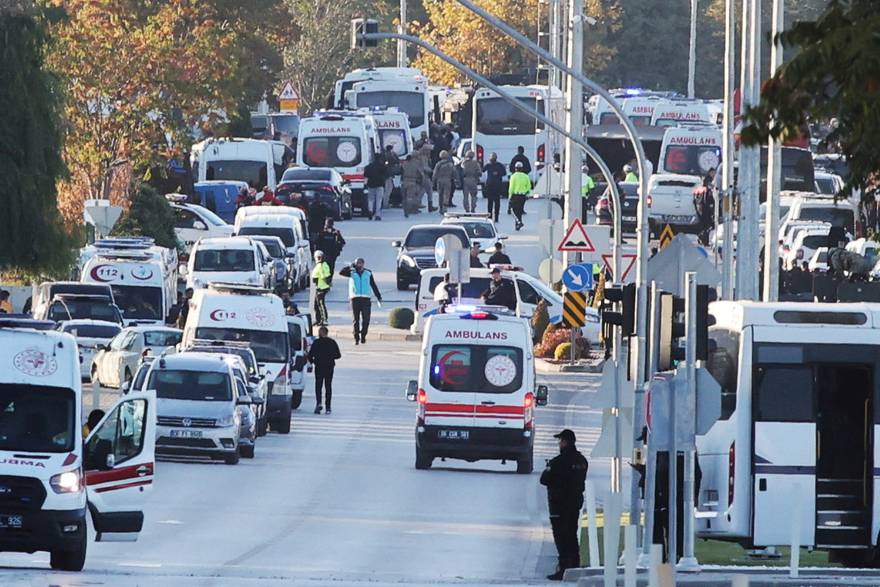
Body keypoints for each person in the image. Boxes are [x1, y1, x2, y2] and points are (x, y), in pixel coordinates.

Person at [540, 428, 588, 581]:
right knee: (572, 536)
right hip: (574, 505)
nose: (559, 444)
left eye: (560, 441)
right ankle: (574, 566)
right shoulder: (582, 461)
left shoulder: (558, 462)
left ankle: (564, 568)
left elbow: (544, 479)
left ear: (565, 442)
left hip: (559, 506)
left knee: (562, 539)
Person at [339, 258, 382, 345]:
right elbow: (341, 272)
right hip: (355, 298)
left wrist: (378, 296)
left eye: (361, 263)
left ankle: (363, 335)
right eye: (357, 263)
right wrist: (350, 266)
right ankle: (356, 338)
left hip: (366, 299)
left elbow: (373, 285)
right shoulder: (351, 272)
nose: (359, 265)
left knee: (366, 319)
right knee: (356, 320)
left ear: (363, 264)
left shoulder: (368, 273)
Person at [307, 326, 341, 415]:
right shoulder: (332, 342)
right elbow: (338, 355)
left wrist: (314, 361)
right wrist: (330, 357)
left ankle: (319, 403)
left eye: (319, 332)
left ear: (322, 333)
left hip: (319, 366)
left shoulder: (317, 342)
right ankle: (328, 407)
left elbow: (310, 355)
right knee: (328, 386)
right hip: (329, 366)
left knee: (318, 386)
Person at [508, 161, 532, 231]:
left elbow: (511, 187)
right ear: (522, 169)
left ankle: (518, 222)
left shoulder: (513, 176)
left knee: (513, 211)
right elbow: (529, 186)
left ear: (515, 168)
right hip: (523, 196)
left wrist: (510, 196)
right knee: (519, 211)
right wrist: (527, 193)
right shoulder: (526, 176)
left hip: (515, 195)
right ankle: (518, 224)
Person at [483, 152, 506, 222]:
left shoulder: (494, 165)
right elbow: (483, 170)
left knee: (493, 202)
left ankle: (493, 217)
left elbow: (482, 169)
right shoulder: (494, 165)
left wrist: (497, 173)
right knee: (494, 202)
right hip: (494, 186)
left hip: (493, 186)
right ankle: (493, 217)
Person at [311, 250, 332, 326]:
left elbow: (324, 276)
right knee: (316, 305)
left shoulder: (322, 265)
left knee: (321, 304)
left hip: (322, 288)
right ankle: (318, 319)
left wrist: (327, 283)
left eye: (320, 257)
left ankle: (324, 319)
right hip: (319, 287)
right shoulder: (320, 265)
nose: (318, 259)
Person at [364, 155, 387, 220]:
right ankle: (377, 215)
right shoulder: (382, 166)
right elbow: (386, 175)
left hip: (370, 185)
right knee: (379, 200)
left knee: (371, 199)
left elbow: (366, 177)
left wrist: (365, 185)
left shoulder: (368, 167)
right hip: (380, 185)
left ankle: (370, 210)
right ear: (380, 159)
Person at [418, 137, 435, 211]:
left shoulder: (425, 156)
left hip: (423, 176)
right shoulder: (422, 157)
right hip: (424, 175)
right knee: (429, 190)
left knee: (422, 190)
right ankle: (430, 206)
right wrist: (431, 170)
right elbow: (424, 167)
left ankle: (418, 203)